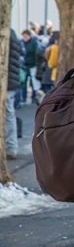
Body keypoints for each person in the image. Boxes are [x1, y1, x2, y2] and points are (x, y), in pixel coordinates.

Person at [5, 29, 23, 160]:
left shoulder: (6, 33)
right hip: (10, 80)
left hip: (7, 81)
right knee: (8, 112)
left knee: (8, 113)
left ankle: (10, 147)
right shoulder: (11, 32)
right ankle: (11, 146)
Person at [19, 29, 43, 105]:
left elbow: (37, 54)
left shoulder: (34, 43)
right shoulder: (21, 43)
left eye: (26, 36)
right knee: (24, 82)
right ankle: (23, 98)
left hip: (32, 65)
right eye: (23, 36)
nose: (24, 38)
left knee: (33, 83)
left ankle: (33, 97)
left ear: (29, 36)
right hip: (24, 66)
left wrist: (36, 65)